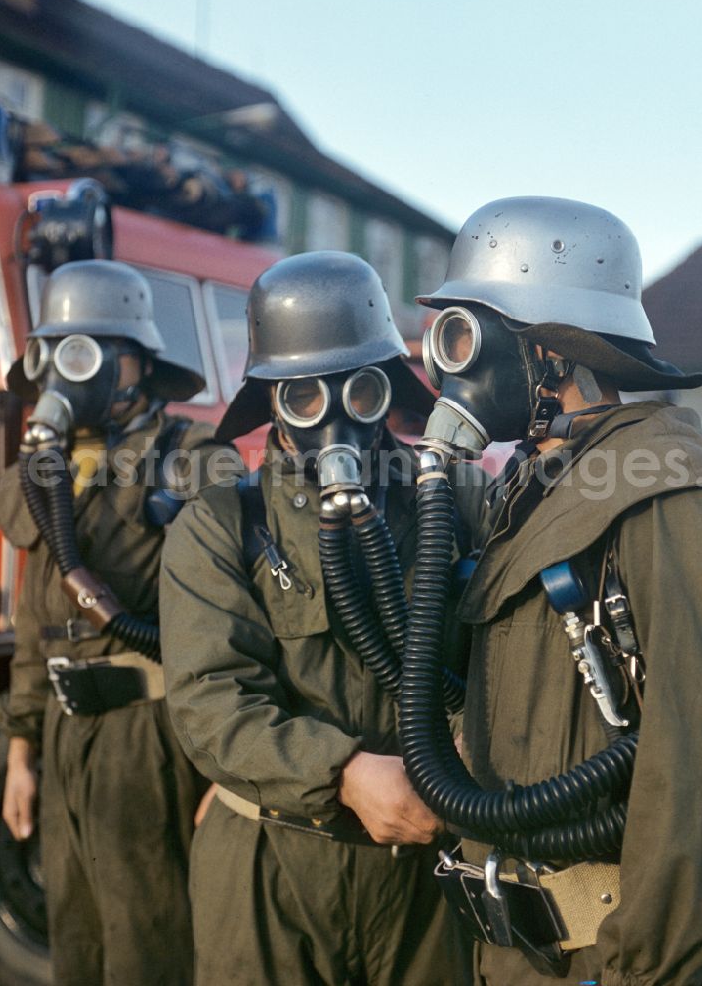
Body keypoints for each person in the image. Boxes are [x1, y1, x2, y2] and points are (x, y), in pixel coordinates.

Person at [396, 197, 702, 986]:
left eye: (464, 335)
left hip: (606, 958)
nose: (447, 370)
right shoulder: (539, 485)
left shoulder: (666, 489)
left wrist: (633, 970)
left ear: (552, 354)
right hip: (512, 953)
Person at [159, 250, 488, 986]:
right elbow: (209, 701)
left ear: (388, 390)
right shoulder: (222, 525)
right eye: (304, 399)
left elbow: (519, 650)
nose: (334, 417)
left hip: (429, 875)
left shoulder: (454, 503)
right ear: (270, 400)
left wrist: (476, 735)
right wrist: (338, 772)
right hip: (274, 868)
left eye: (358, 391)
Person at [0, 259, 221, 986]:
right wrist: (21, 750)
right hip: (68, 735)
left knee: (150, 945)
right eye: (59, 353)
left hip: (151, 735)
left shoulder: (190, 459)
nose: (70, 375)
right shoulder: (49, 470)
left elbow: (236, 620)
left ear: (135, 365)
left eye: (87, 353)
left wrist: (222, 770)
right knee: (79, 942)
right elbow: (38, 623)